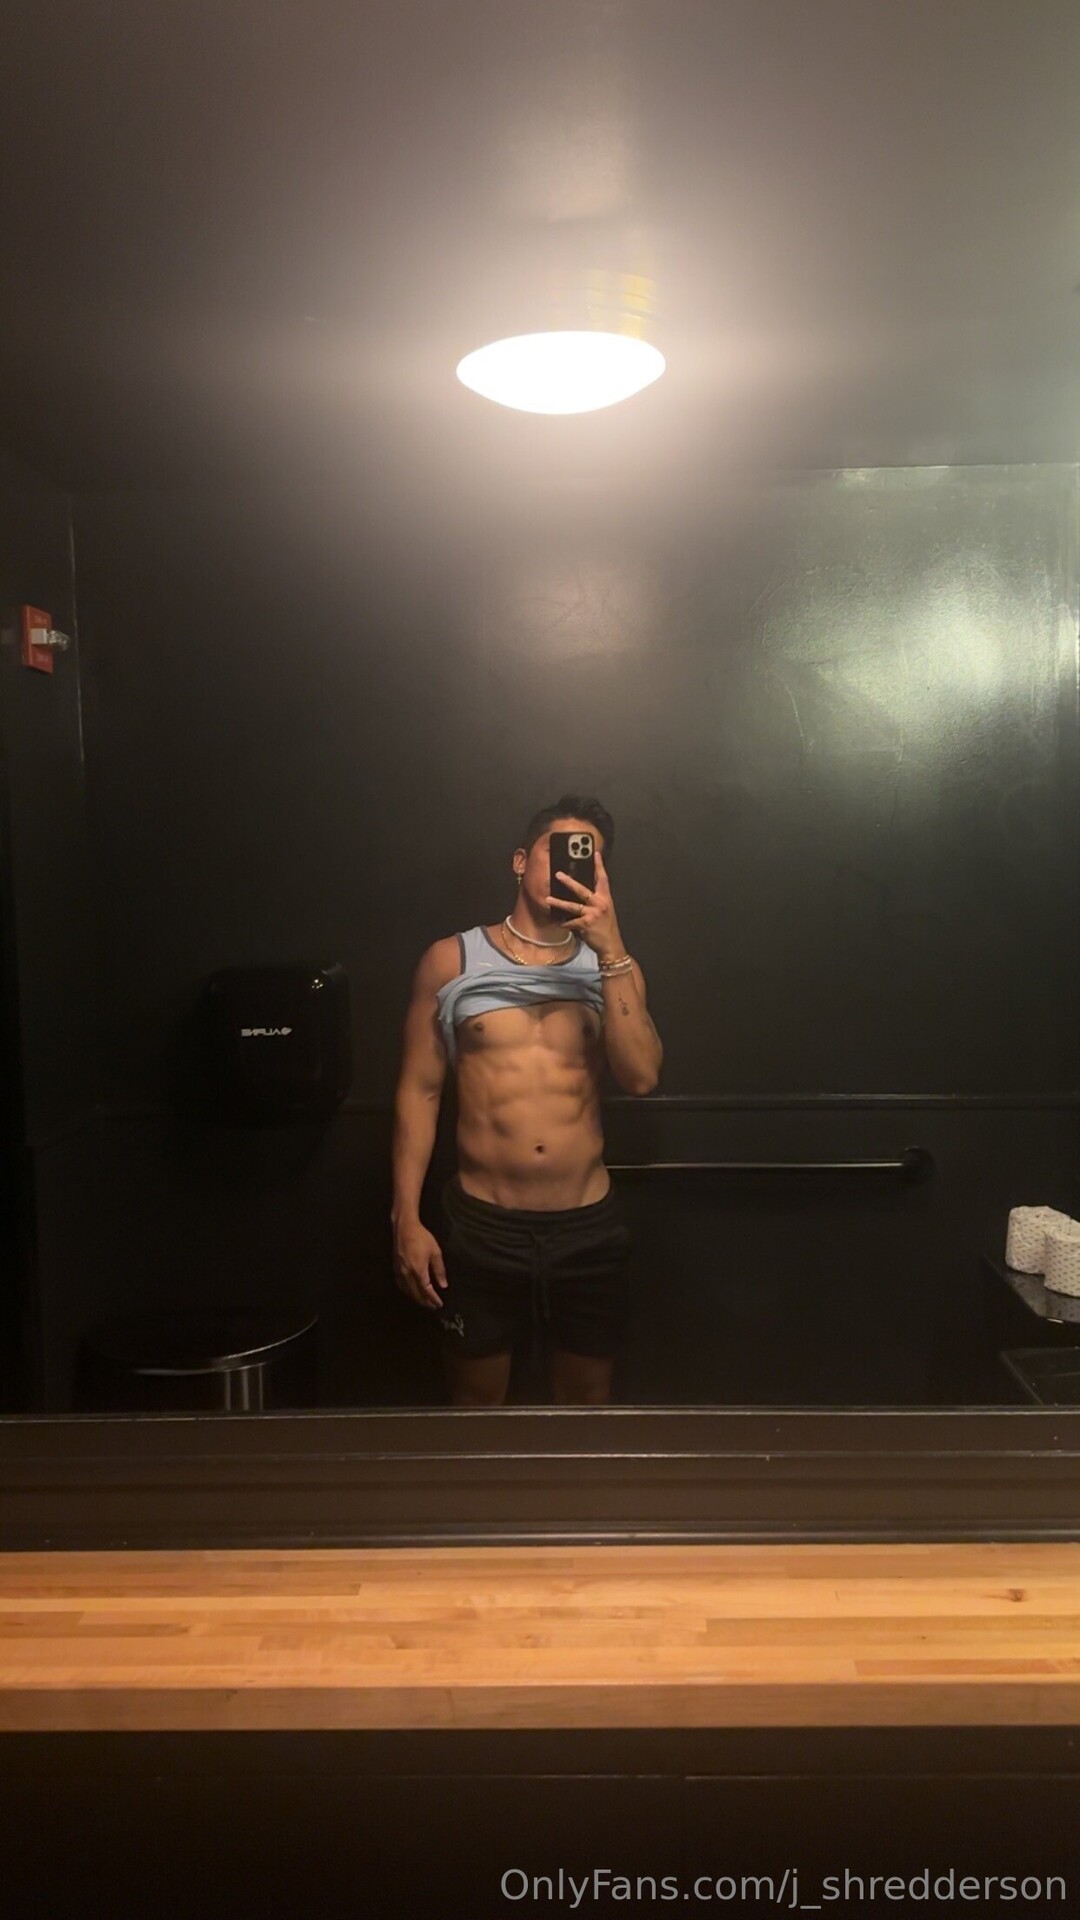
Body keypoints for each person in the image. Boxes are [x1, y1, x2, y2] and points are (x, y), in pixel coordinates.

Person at [391, 795, 662, 1407]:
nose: (569, 865)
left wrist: (610, 947)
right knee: (476, 1406)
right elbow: (420, 1091)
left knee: (586, 1405)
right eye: (556, 849)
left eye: (587, 855)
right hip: (484, 1226)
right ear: (520, 861)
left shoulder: (615, 968)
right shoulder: (451, 961)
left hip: (586, 1226)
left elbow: (642, 1077)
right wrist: (405, 1218)